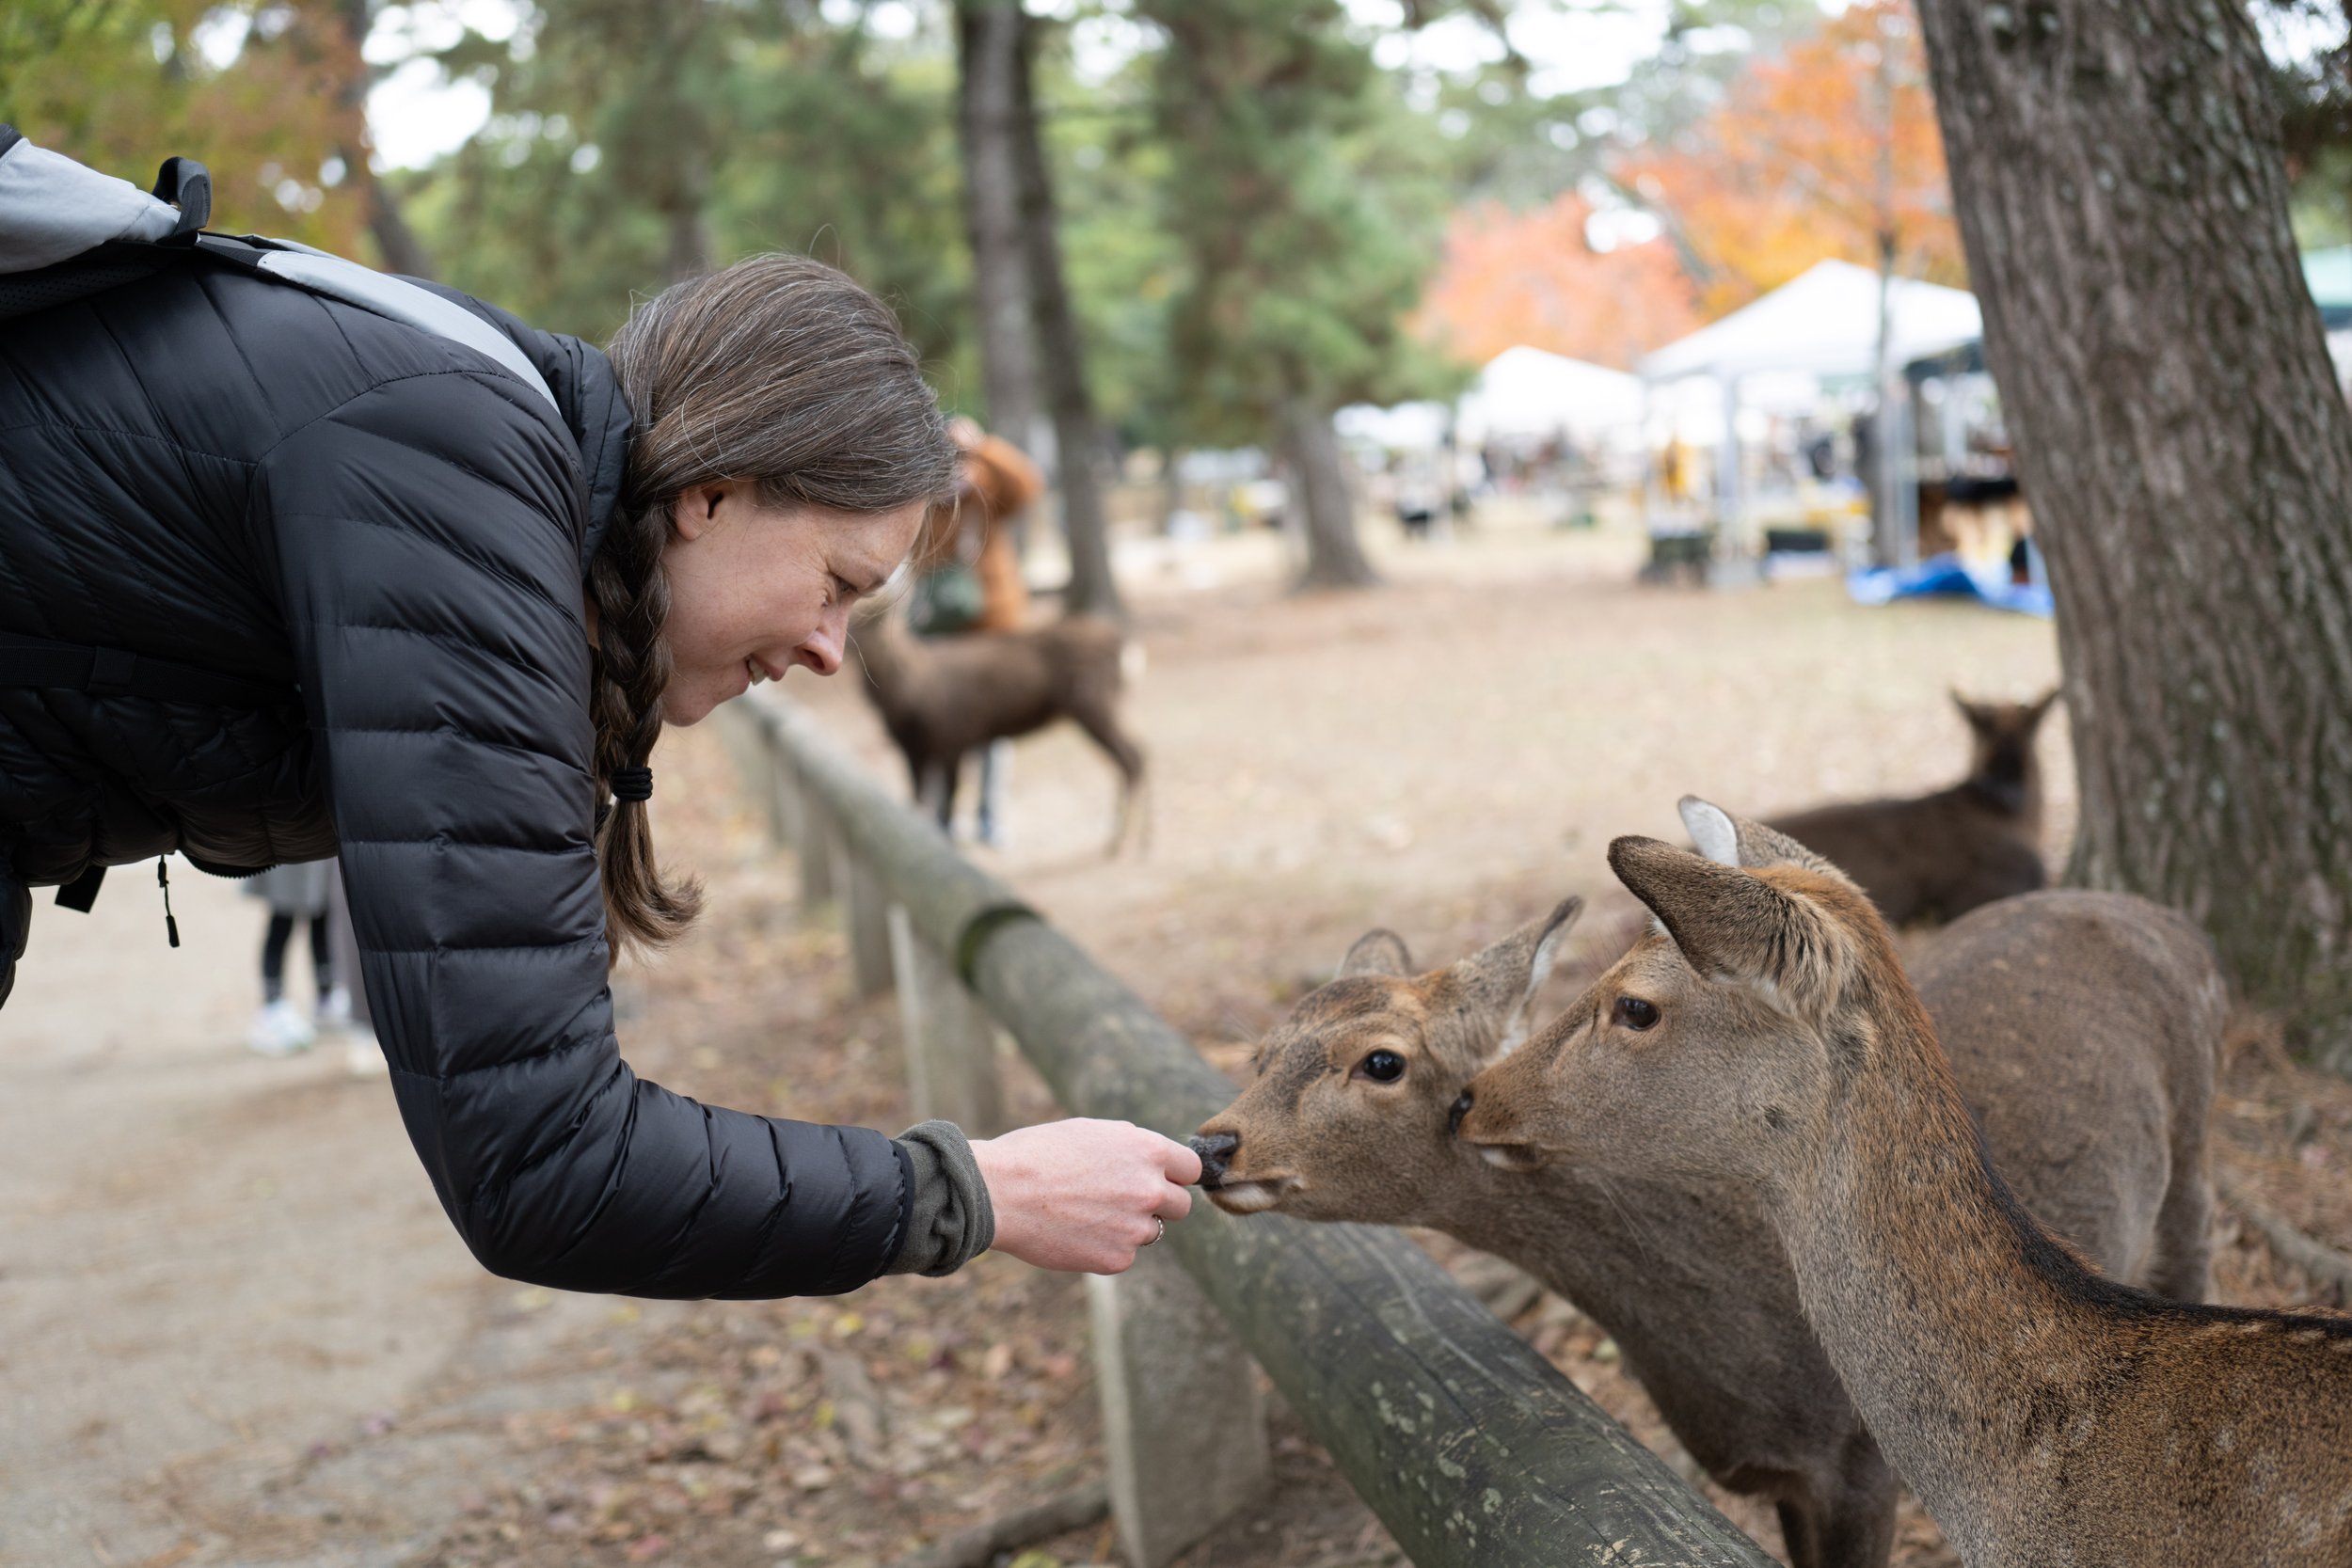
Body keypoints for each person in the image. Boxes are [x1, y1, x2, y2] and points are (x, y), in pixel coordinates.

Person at [0, 146, 1197, 1295]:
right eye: (836, 581)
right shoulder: (456, 481)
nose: (832, 652)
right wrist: (978, 1189)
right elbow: (543, 1161)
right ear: (714, 492)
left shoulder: (480, 460)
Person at [243, 859, 337, 1057]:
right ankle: (271, 1007)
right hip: (288, 850)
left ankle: (325, 999)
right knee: (283, 918)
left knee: (321, 913)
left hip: (319, 847)